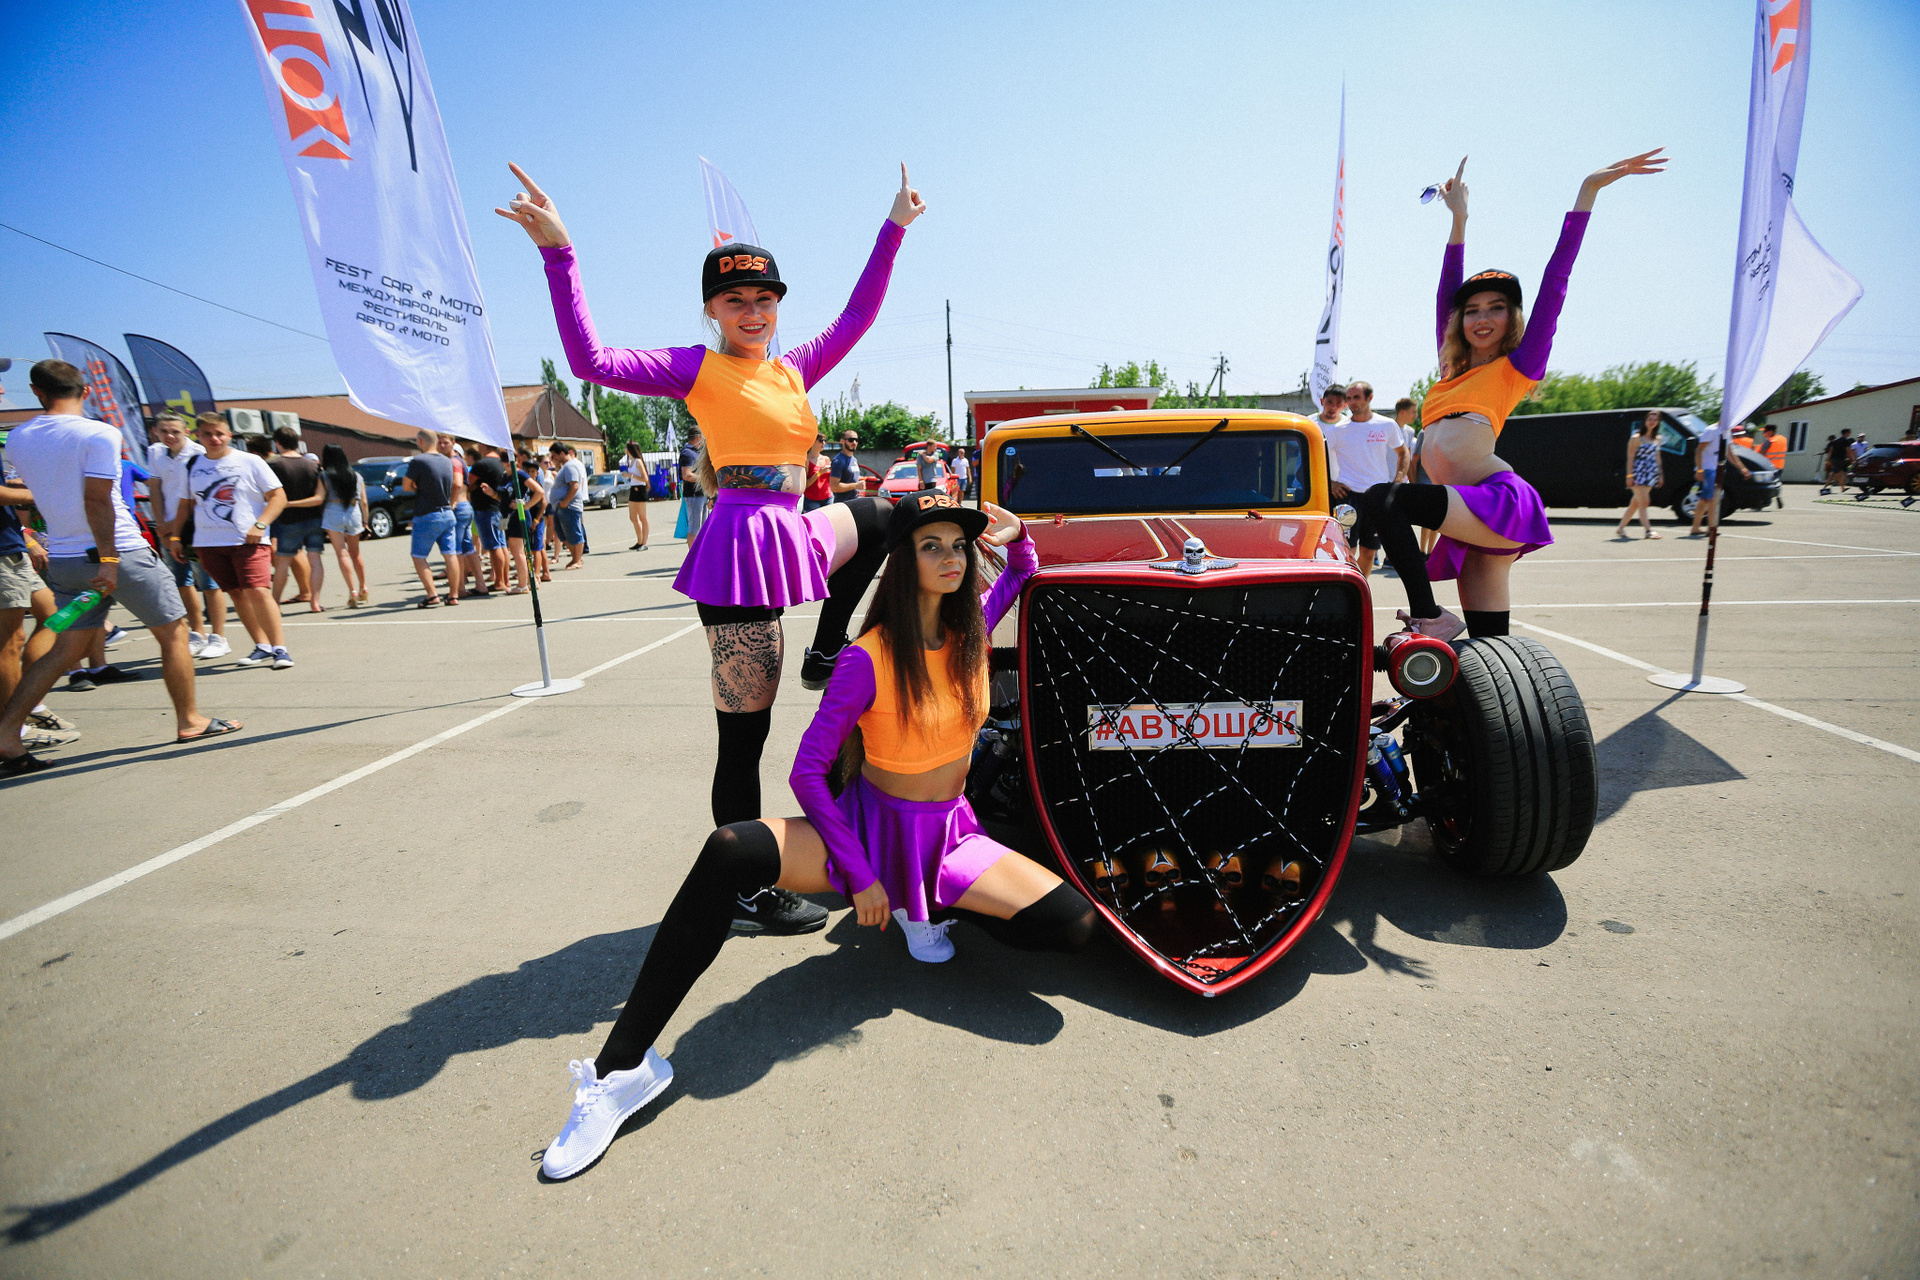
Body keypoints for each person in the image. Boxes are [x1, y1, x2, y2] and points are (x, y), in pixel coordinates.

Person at [537, 492, 1094, 1181]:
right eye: (932, 546)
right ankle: (621, 1070)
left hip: (950, 837)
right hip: (866, 832)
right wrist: (861, 875)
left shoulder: (973, 630)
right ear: (902, 561)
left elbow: (1022, 572)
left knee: (1072, 926)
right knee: (729, 851)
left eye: (959, 546)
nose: (952, 558)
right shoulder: (868, 657)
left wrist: (1018, 535)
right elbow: (806, 770)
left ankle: (925, 903)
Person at [503, 158, 916, 936]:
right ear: (712, 310)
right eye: (736, 301)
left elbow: (858, 314)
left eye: (765, 299)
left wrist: (892, 227)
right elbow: (591, 363)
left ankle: (826, 650)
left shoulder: (794, 369)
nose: (753, 312)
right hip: (739, 552)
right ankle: (743, 891)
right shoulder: (697, 369)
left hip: (793, 526)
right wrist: (560, 253)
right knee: (745, 740)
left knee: (884, 517)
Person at [1359, 150, 1667, 641]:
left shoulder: (1518, 367)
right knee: (1489, 648)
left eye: (1496, 308)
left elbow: (1556, 283)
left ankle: (1429, 614)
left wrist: (1587, 192)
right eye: (1473, 310)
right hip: (1469, 514)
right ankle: (1463, 667)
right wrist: (1459, 220)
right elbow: (1445, 295)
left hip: (1495, 503)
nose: (1482, 317)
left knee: (1384, 499)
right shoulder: (1450, 372)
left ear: (1512, 317)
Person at [0, 362, 239, 774]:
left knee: (64, 648)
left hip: (65, 560)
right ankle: (190, 720)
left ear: (37, 391)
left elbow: (33, 491)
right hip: (119, 555)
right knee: (174, 632)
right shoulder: (99, 433)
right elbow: (97, 499)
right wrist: (109, 561)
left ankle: (7, 733)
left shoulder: (19, 437)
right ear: (86, 391)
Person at [182, 412, 294, 670]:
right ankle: (262, 646)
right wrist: (176, 536)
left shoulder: (250, 461)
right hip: (208, 542)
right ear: (198, 436)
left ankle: (280, 649)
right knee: (236, 593)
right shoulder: (193, 465)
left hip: (249, 540)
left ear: (229, 435)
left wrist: (260, 524)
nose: (214, 439)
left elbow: (278, 497)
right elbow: (186, 504)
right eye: (207, 434)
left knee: (258, 590)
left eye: (219, 433)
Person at [146, 410, 231, 658]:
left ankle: (219, 637)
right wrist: (161, 524)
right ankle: (197, 633)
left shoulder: (198, 454)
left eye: (175, 431)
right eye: (164, 431)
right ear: (155, 432)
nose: (170, 436)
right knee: (181, 582)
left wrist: (174, 525)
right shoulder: (155, 452)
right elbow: (155, 489)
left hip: (196, 527)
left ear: (187, 432)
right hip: (167, 529)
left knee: (208, 582)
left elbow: (197, 496)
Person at [1326, 381, 1410, 577]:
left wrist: (1397, 481)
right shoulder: (1337, 430)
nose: (1352, 402)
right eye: (1349, 398)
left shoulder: (1386, 425)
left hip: (1377, 496)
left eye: (1356, 397)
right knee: (1346, 550)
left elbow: (1403, 452)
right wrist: (1331, 483)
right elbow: (1318, 458)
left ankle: (1362, 588)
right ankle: (1346, 588)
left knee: (1369, 550)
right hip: (1348, 496)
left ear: (1369, 398)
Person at [267, 426, 326, 611]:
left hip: (288, 519)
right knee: (315, 559)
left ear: (277, 443)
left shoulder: (274, 465)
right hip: (314, 517)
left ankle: (275, 602)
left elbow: (267, 493)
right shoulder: (313, 465)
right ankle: (314, 601)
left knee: (283, 562)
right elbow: (319, 496)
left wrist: (287, 504)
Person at [402, 428, 460, 606]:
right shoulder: (447, 461)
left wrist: (417, 486)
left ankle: (432, 594)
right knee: (450, 555)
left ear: (420, 441)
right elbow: (454, 484)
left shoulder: (418, 461)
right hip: (447, 512)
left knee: (419, 556)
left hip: (426, 513)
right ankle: (453, 595)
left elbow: (406, 486)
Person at [319, 444, 370, 607]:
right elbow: (364, 501)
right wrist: (366, 522)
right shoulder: (356, 475)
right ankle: (363, 587)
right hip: (353, 511)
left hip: (333, 510)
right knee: (355, 553)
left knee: (342, 554)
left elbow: (320, 497)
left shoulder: (324, 476)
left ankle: (352, 590)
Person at [1688, 418, 1750, 538]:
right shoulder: (1711, 430)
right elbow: (1699, 450)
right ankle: (1696, 527)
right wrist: (1699, 470)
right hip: (1708, 469)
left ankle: (1711, 527)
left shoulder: (1727, 432)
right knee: (1706, 498)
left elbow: (1729, 453)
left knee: (1713, 499)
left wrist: (1742, 468)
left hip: (1718, 469)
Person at [442, 434, 481, 597]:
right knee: (468, 548)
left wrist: (451, 503)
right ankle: (480, 584)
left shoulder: (453, 461)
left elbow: (457, 483)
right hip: (465, 507)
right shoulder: (460, 461)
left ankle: (460, 588)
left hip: (459, 508)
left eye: (445, 442)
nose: (441, 446)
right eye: (439, 443)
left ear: (453, 443)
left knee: (455, 549)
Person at [468, 443, 513, 589]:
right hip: (499, 508)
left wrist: (474, 486)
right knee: (501, 545)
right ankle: (505, 580)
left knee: (494, 547)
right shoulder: (501, 462)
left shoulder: (481, 464)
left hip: (486, 509)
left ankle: (499, 581)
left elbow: (468, 483)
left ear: (484, 445)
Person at [1615, 410, 1665, 539]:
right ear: (1645, 421)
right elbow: (1630, 457)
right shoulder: (1636, 438)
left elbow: (1658, 458)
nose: (1652, 422)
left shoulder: (1657, 439)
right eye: (1650, 419)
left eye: (1655, 420)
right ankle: (1648, 530)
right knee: (1644, 502)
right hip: (1638, 473)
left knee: (1635, 503)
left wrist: (1660, 474)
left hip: (1651, 473)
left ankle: (1620, 528)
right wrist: (1629, 475)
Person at [510, 445, 548, 588]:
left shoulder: (536, 485)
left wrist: (537, 519)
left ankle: (537, 574)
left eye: (533, 471)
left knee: (536, 548)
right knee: (532, 548)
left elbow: (543, 503)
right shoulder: (524, 485)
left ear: (537, 473)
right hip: (526, 519)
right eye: (528, 471)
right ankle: (534, 573)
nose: (531, 474)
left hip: (537, 519)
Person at [549, 442, 587, 569]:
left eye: (554, 455)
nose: (553, 458)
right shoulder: (565, 467)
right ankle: (576, 557)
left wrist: (565, 501)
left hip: (570, 506)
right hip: (561, 507)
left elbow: (574, 485)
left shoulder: (570, 467)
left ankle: (577, 560)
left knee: (574, 533)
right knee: (562, 534)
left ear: (561, 453)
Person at [620, 440, 652, 550]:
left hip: (640, 489)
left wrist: (630, 475)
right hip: (633, 489)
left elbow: (645, 478)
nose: (625, 449)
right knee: (633, 517)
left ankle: (644, 543)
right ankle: (639, 541)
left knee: (643, 517)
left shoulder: (638, 461)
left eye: (626, 447)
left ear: (630, 450)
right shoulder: (631, 461)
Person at [677, 427, 706, 539]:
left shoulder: (696, 452)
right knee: (694, 529)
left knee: (701, 528)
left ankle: (699, 550)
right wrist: (704, 479)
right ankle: (693, 550)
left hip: (701, 494)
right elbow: (687, 475)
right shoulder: (687, 453)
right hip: (694, 495)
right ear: (698, 437)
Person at [1756, 424, 1788, 508]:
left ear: (1770, 432)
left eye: (1765, 431)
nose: (1763, 433)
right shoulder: (1783, 439)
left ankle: (1763, 502)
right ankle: (1777, 496)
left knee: (1764, 484)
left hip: (1768, 467)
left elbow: (1761, 454)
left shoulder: (1769, 441)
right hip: (1779, 466)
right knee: (1776, 482)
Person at [829, 427, 863, 504]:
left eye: (856, 440)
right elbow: (834, 487)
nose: (854, 442)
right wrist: (856, 485)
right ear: (842, 441)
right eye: (851, 440)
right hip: (843, 504)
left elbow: (850, 478)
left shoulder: (854, 460)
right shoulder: (838, 461)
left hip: (855, 502)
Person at [801, 433, 832, 512]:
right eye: (821, 440)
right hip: (812, 500)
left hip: (828, 497)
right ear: (812, 442)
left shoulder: (826, 459)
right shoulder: (806, 460)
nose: (823, 443)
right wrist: (819, 473)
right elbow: (805, 485)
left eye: (825, 441)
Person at [1820, 430, 1852, 494]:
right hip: (1840, 458)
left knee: (1836, 472)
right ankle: (1825, 488)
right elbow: (1848, 450)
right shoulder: (1845, 440)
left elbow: (1831, 450)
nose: (1849, 434)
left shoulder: (1835, 441)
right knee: (1836, 473)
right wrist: (1851, 458)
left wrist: (1828, 458)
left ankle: (1842, 488)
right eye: (1849, 433)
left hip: (1833, 458)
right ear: (1846, 433)